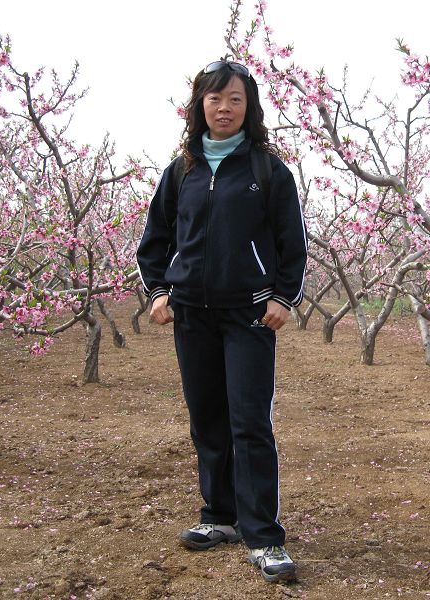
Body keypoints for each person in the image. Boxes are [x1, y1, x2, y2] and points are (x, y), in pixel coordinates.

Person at [136, 59, 307, 584]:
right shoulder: (182, 169)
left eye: (235, 98)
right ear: (199, 106)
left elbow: (290, 242)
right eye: (214, 99)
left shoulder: (266, 170)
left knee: (249, 420)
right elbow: (157, 239)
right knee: (207, 417)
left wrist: (282, 296)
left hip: (249, 313)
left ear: (249, 106)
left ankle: (263, 535)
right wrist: (161, 291)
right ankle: (219, 516)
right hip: (191, 314)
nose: (224, 108)